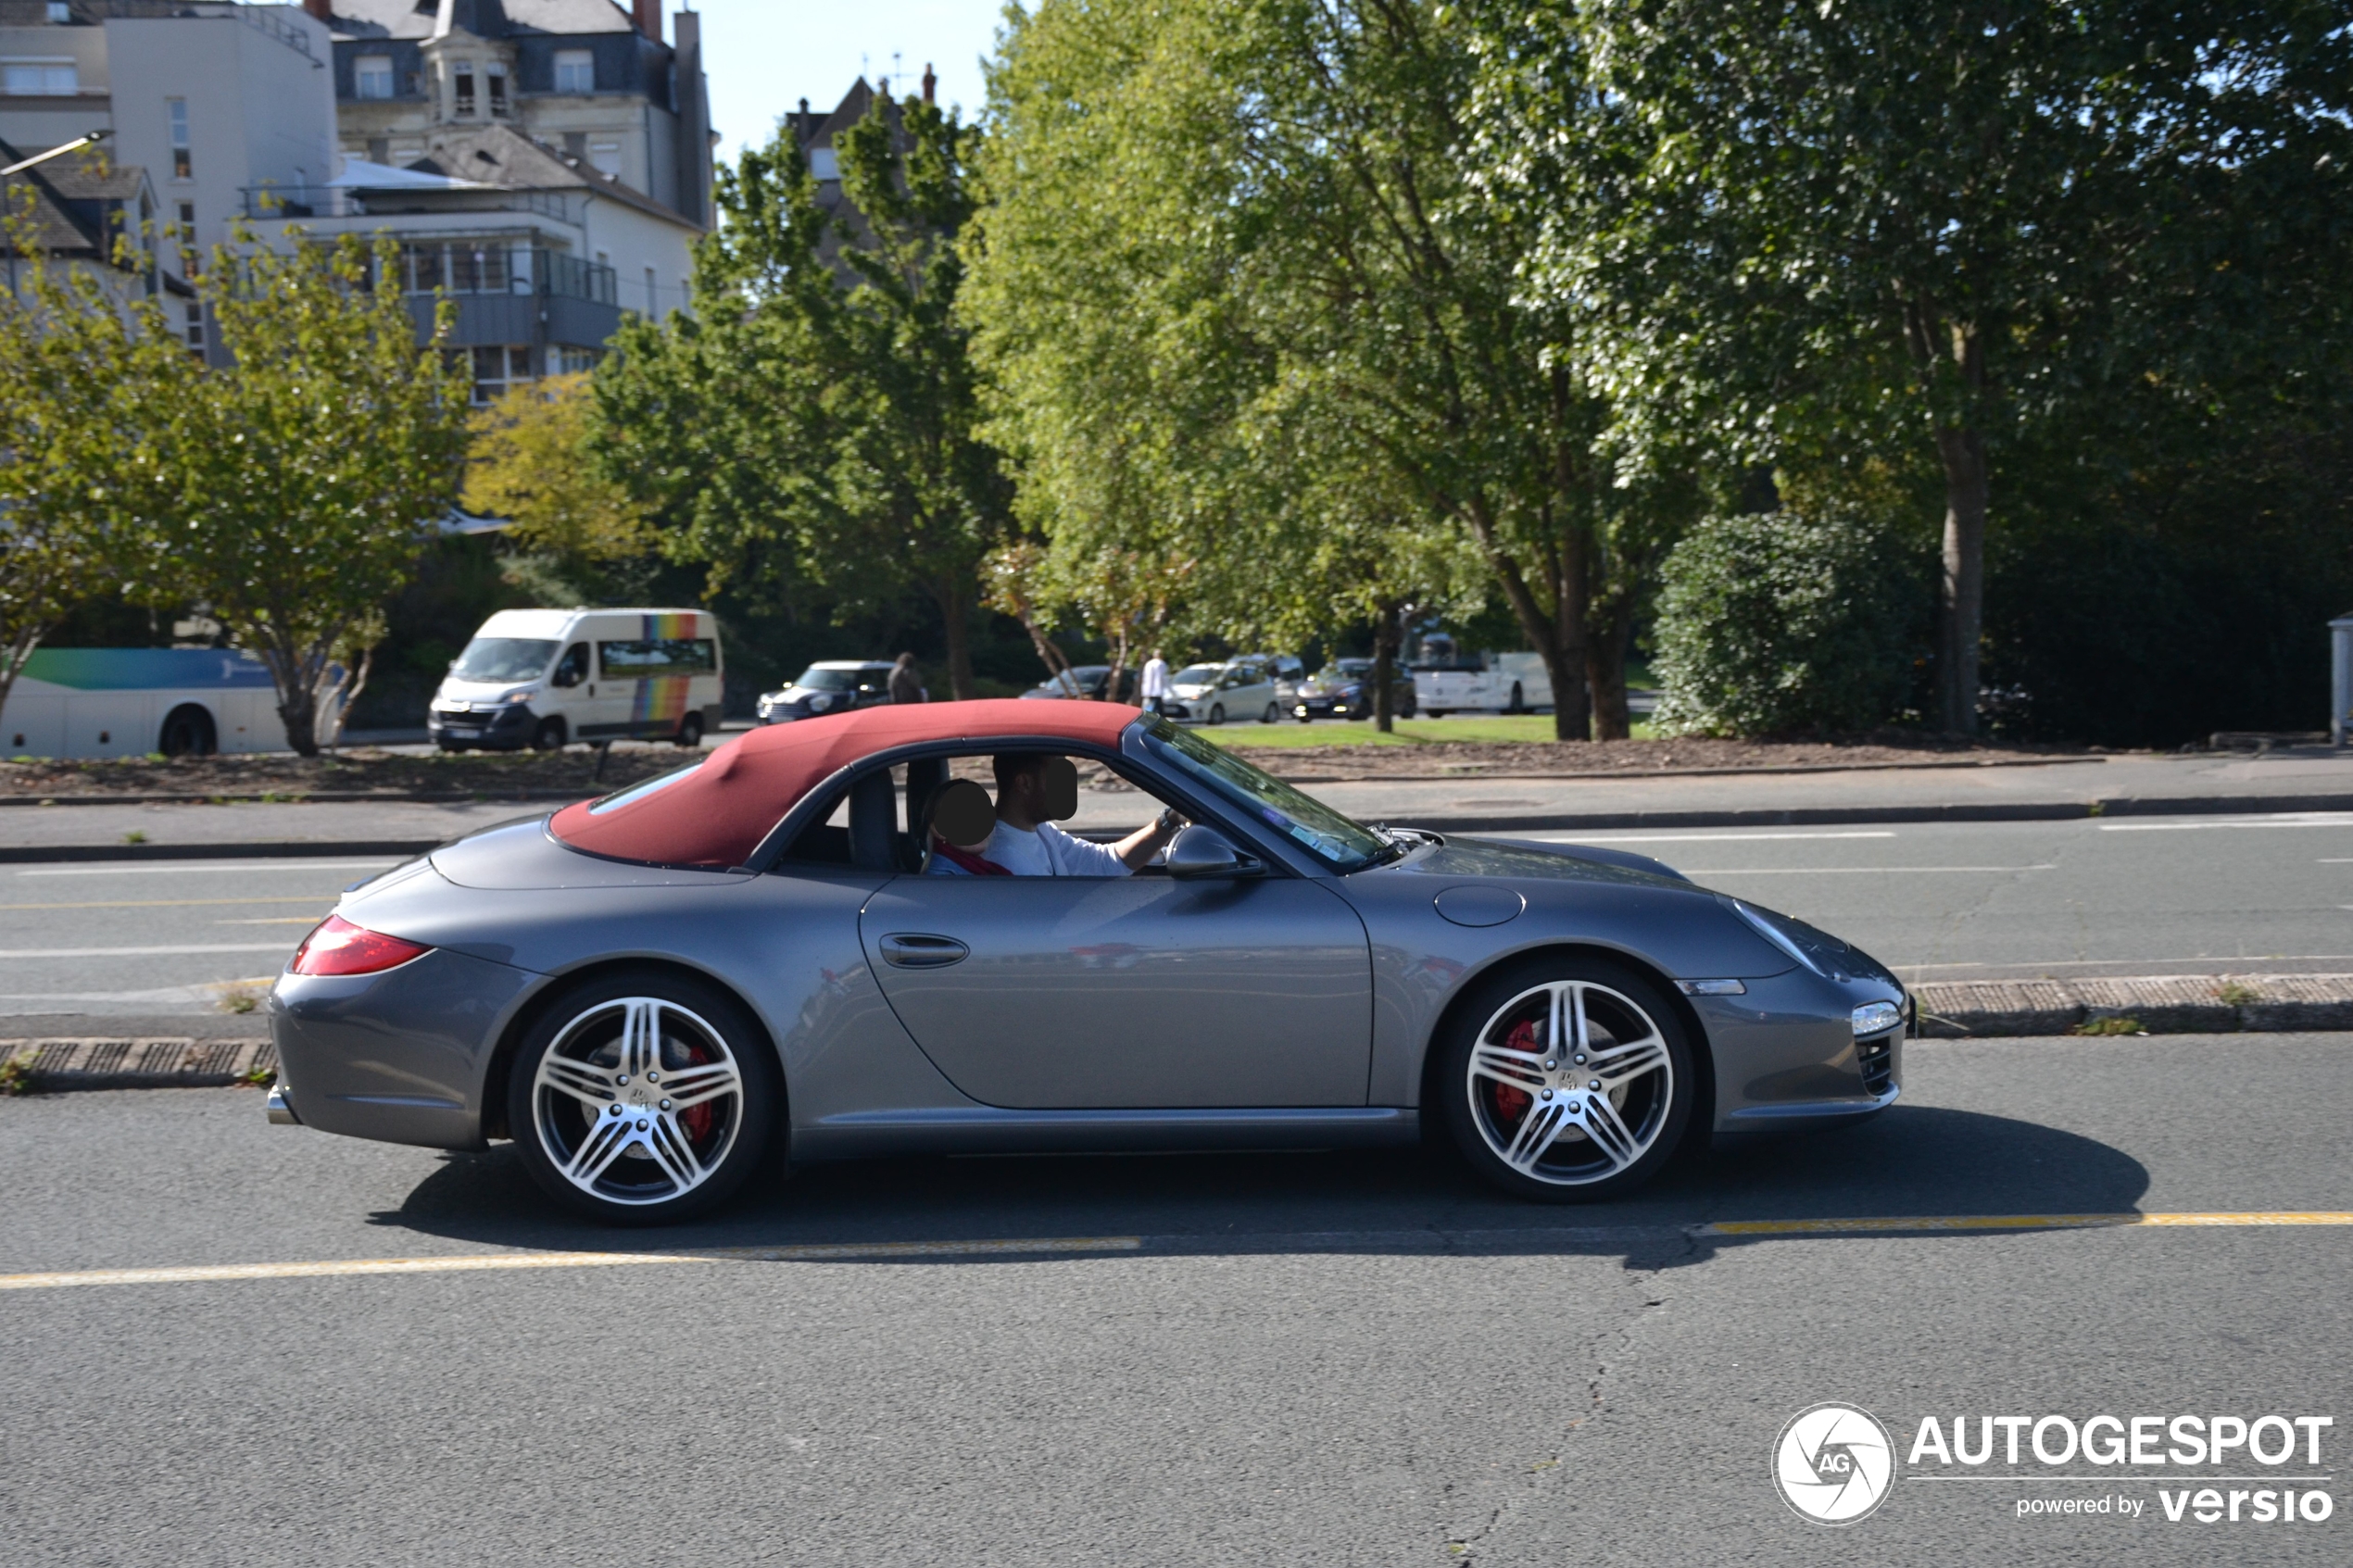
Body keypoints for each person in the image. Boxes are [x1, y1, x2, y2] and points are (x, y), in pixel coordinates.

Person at [927, 753, 1183, 875]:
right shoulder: (1004, 859)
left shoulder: (1040, 831)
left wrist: (1168, 821)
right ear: (1025, 783)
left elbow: (1106, 862)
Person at [1139, 649, 1170, 716]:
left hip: (1148, 690)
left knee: (1151, 706)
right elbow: (1163, 677)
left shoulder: (1149, 663)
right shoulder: (1161, 663)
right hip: (1157, 690)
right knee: (1157, 708)